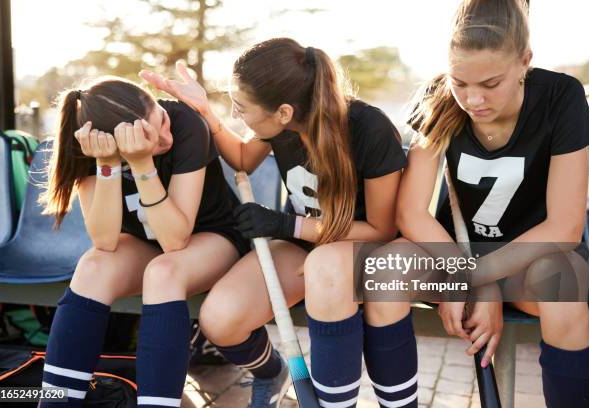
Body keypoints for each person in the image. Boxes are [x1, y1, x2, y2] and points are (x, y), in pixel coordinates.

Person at [141, 37, 415, 407]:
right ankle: (273, 372)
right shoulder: (280, 126)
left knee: (327, 266)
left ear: (284, 111)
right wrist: (205, 111)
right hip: (306, 245)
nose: (236, 115)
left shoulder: (368, 128)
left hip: (364, 251)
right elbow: (241, 158)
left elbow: (381, 230)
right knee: (220, 319)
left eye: (241, 107)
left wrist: (287, 226)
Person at [393, 0, 589, 406]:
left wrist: (480, 279)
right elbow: (411, 213)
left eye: (490, 84)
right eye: (460, 82)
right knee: (385, 270)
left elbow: (562, 227)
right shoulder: (437, 97)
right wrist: (466, 274)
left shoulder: (560, 96)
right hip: (453, 255)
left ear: (525, 61)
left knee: (562, 288)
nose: (472, 100)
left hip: (535, 261)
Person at [40, 77, 249, 407]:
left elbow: (175, 240)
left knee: (164, 272)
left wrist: (141, 163)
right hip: (146, 242)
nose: (166, 138)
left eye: (161, 121)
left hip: (212, 236)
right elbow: (106, 240)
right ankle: (56, 402)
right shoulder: (91, 143)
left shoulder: (186, 124)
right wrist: (108, 165)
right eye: (150, 136)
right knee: (93, 265)